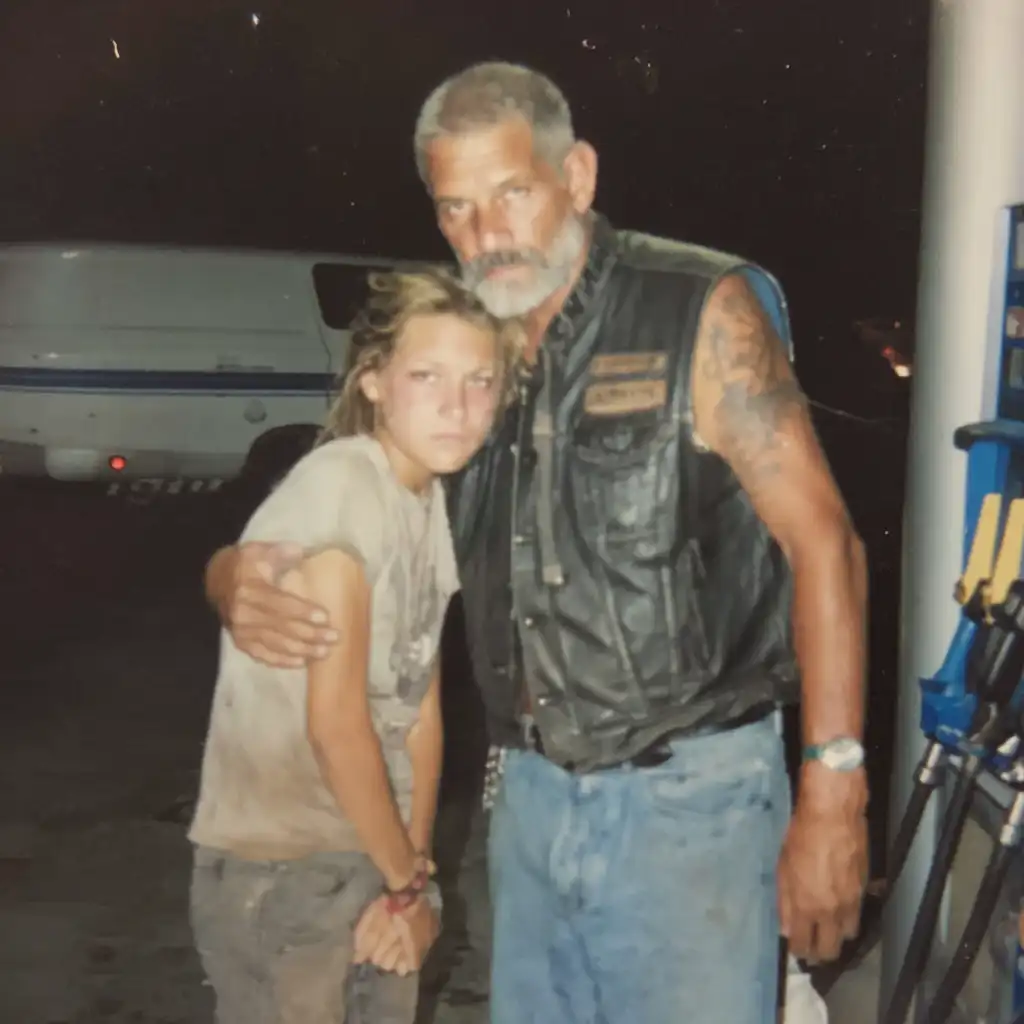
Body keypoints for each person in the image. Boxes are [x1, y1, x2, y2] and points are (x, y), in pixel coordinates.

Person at [204, 62, 869, 1024]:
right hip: (528, 800)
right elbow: (344, 490)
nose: (486, 235)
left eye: (512, 193)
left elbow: (827, 545)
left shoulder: (694, 309)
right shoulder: (469, 346)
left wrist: (835, 792)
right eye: (456, 209)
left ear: (578, 176)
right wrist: (230, 577)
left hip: (693, 804)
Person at [188, 267, 524, 1023]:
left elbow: (421, 704)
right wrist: (405, 881)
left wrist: (412, 874)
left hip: (367, 852)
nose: (457, 405)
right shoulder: (342, 490)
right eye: (427, 376)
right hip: (288, 865)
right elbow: (335, 727)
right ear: (373, 380)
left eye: (480, 381)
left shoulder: (426, 501)